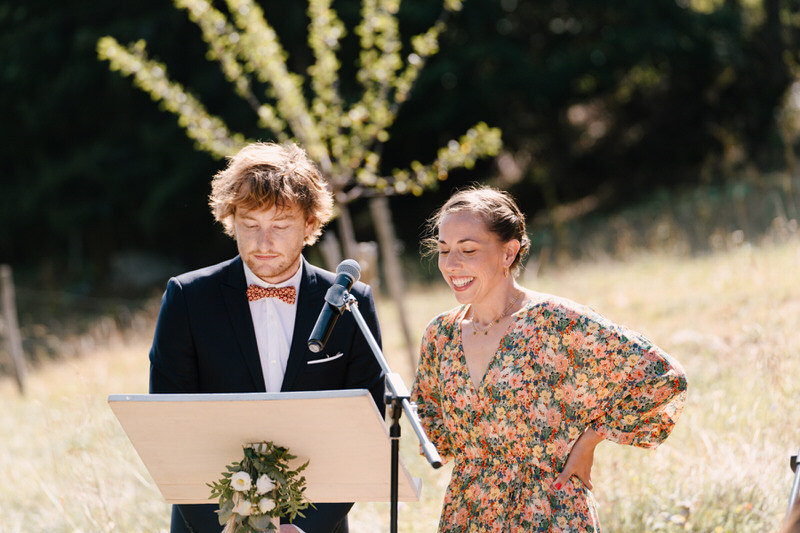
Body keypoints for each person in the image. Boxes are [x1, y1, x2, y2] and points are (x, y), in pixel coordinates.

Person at [411, 186, 688, 532]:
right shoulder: (441, 335)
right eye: (443, 250)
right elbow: (431, 429)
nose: (452, 264)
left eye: (468, 249)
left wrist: (590, 439)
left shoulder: (556, 320)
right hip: (468, 514)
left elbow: (662, 376)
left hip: (548, 511)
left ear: (508, 252)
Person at [148, 142, 385, 533]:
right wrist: (230, 528)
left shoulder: (352, 303)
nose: (263, 243)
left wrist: (302, 529)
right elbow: (171, 430)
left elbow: (363, 430)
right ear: (231, 221)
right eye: (251, 225)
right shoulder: (187, 299)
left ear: (310, 225)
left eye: (280, 226)